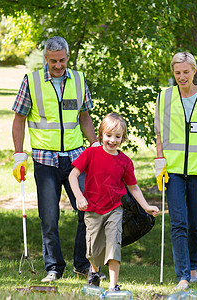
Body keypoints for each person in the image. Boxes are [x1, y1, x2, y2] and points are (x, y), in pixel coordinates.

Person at [12, 36, 103, 282]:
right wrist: (19, 154)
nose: (58, 65)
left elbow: (84, 115)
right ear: (46, 59)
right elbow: (19, 119)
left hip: (76, 158)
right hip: (45, 159)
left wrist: (94, 144)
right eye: (53, 61)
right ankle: (54, 267)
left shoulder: (79, 80)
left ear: (67, 57)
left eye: (62, 60)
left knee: (88, 210)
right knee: (49, 217)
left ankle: (82, 264)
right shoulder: (31, 82)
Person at [69, 113, 159, 291]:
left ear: (123, 138)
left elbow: (133, 187)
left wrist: (146, 207)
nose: (112, 140)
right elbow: (73, 175)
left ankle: (113, 285)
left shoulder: (125, 161)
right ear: (101, 134)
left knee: (113, 245)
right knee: (93, 251)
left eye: (117, 137)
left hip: (114, 210)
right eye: (109, 135)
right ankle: (94, 273)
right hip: (93, 210)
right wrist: (79, 197)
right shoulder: (90, 153)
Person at [154, 52, 197, 290]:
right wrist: (159, 161)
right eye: (177, 72)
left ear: (194, 71)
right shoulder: (164, 97)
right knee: (178, 223)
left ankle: (193, 267)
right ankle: (182, 275)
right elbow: (159, 134)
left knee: (196, 223)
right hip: (172, 171)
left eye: (186, 72)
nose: (181, 77)